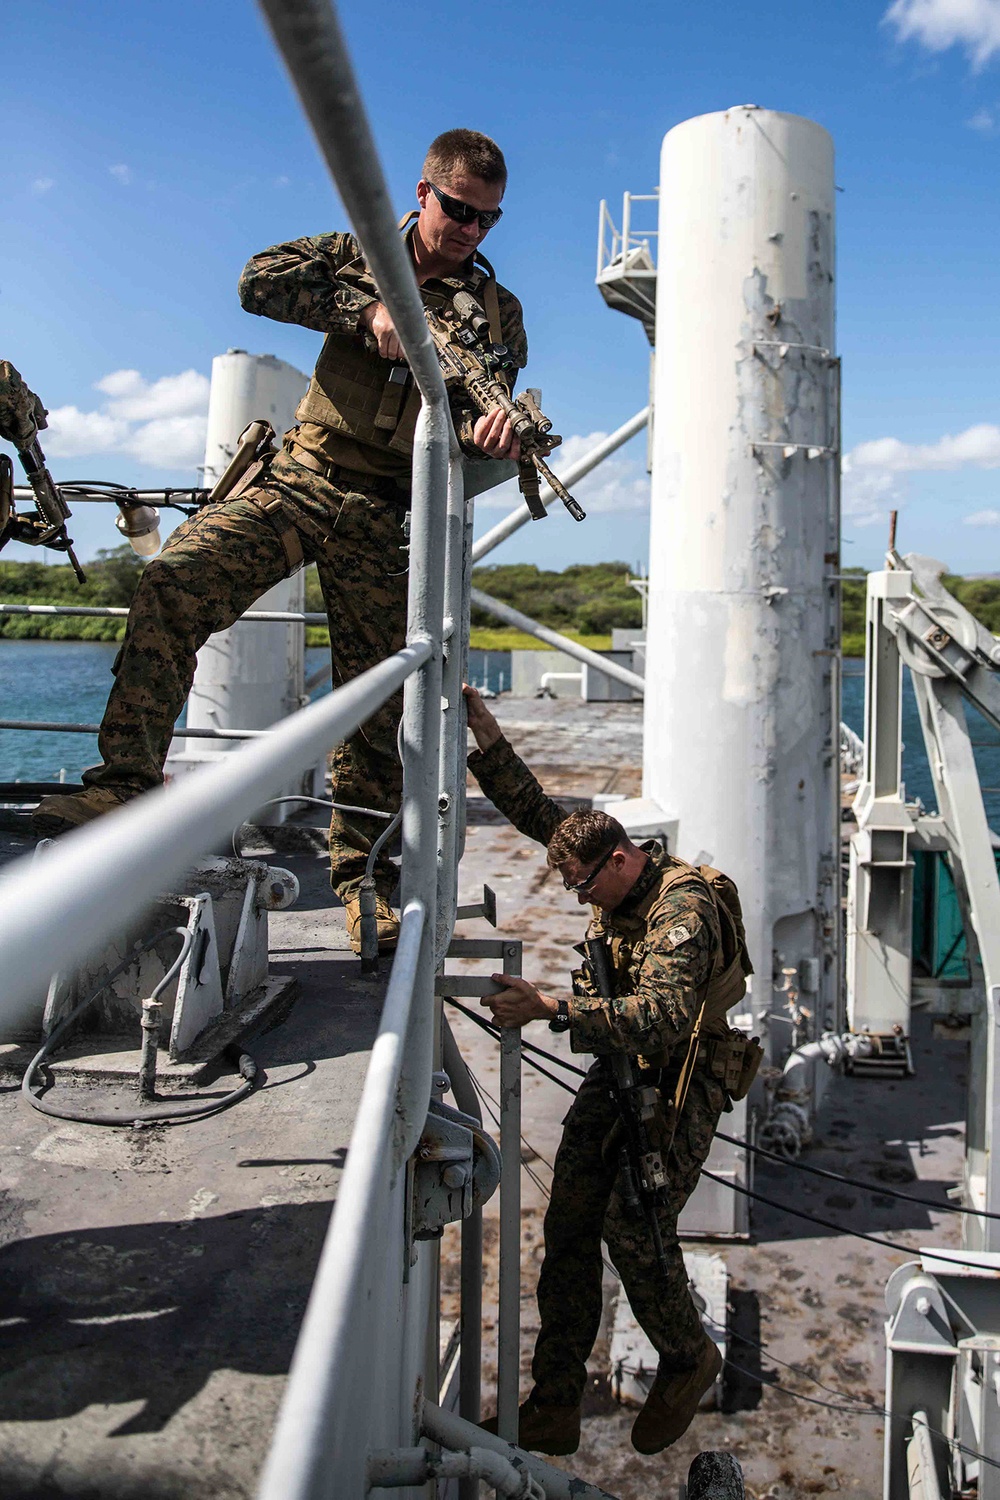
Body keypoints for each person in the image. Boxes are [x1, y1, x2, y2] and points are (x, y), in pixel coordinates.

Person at [32, 129, 527, 955]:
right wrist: (367, 312)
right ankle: (123, 788)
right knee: (174, 582)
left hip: (386, 512)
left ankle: (363, 881)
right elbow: (255, 281)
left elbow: (483, 415)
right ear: (422, 193)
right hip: (302, 478)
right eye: (460, 211)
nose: (473, 231)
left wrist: (493, 433)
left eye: (489, 219)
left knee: (374, 705)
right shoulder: (356, 253)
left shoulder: (497, 313)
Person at [463, 684, 755, 1456]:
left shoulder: (679, 909)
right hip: (622, 1061)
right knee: (569, 1224)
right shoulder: (598, 858)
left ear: (622, 859)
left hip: (686, 1072)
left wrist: (551, 1007)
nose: (578, 896)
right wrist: (486, 740)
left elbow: (662, 1015)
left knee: (635, 1226)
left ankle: (689, 1359)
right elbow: (537, 813)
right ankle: (554, 1403)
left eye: (584, 885)